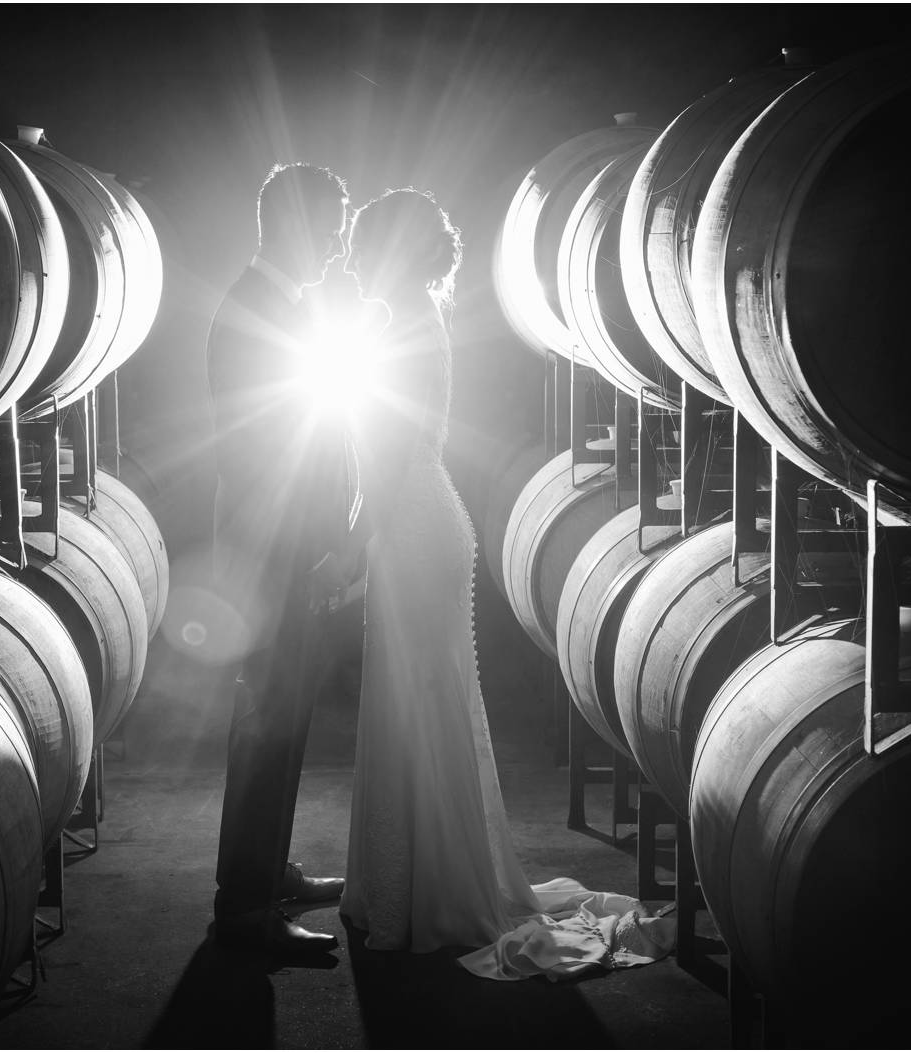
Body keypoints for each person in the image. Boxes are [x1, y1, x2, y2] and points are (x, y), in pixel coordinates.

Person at [333, 188, 676, 979]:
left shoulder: (400, 326)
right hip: (418, 518)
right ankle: (404, 885)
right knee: (416, 704)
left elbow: (387, 454)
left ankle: (424, 893)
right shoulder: (411, 320)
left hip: (411, 525)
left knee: (420, 705)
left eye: (362, 243)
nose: (353, 257)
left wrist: (354, 544)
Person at [206, 161, 363, 956]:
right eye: (331, 227)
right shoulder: (256, 311)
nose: (337, 244)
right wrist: (315, 552)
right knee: (267, 729)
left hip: (285, 552)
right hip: (275, 558)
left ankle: (268, 871)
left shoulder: (279, 305)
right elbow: (271, 455)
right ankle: (244, 911)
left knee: (283, 723)